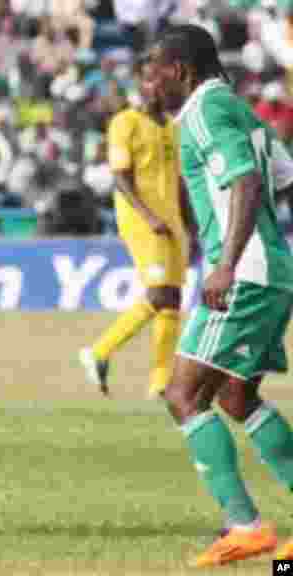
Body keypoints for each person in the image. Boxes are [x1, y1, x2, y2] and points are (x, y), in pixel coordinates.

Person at [145, 24, 293, 567]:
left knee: (183, 395)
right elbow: (283, 176)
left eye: (155, 73)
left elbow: (247, 181)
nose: (150, 85)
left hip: (246, 273)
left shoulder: (204, 111)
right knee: (235, 395)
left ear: (180, 70)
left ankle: (245, 525)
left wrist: (226, 263)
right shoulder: (236, 108)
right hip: (271, 269)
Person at [79, 54, 188, 398]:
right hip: (142, 221)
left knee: (172, 300)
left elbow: (180, 182)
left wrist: (191, 224)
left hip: (171, 222)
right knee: (158, 294)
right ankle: (98, 351)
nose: (156, 86)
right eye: (149, 79)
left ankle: (160, 382)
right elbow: (121, 178)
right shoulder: (124, 123)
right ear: (140, 84)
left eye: (161, 80)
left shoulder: (173, 127)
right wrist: (150, 217)